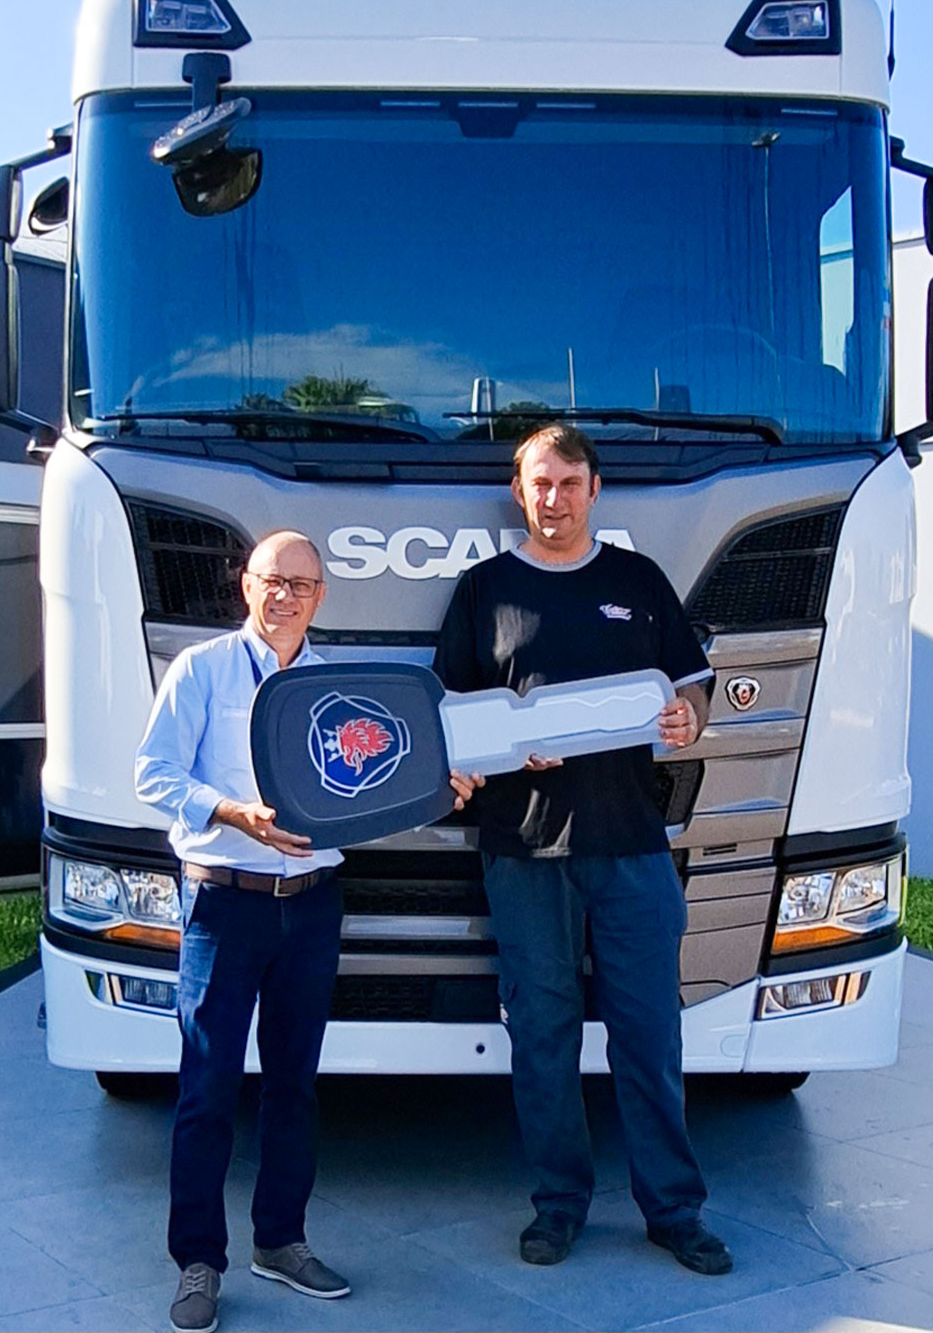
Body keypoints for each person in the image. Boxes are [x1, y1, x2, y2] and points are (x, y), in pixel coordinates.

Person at [136, 529, 476, 1331]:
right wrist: (232, 814)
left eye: (301, 584)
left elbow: (377, 776)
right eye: (271, 579)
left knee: (294, 1085)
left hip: (314, 904)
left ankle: (280, 1241)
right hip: (225, 901)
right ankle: (197, 1261)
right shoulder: (202, 670)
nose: (284, 595)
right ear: (245, 585)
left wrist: (441, 784)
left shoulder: (338, 688)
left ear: (321, 597)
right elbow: (153, 774)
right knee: (208, 1087)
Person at [433, 424, 732, 1276]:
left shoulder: (636, 580)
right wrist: (498, 748)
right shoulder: (485, 589)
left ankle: (674, 1211)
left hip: (631, 845)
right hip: (524, 848)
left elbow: (691, 682)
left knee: (650, 1033)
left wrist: (689, 717)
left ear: (595, 490)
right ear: (517, 492)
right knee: (543, 1035)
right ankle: (558, 1205)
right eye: (539, 483)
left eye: (569, 483)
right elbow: (447, 708)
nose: (554, 499)